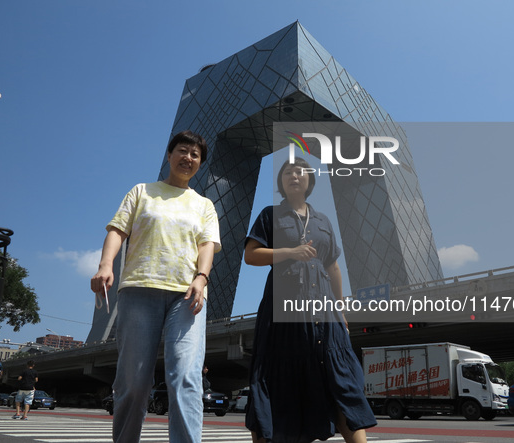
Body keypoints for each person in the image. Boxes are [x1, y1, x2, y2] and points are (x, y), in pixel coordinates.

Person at [90, 130, 221, 443]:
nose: (187, 158)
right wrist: (105, 265)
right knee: (133, 382)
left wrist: (201, 278)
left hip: (187, 295)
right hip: (139, 290)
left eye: (195, 155)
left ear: (200, 163)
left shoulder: (203, 205)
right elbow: (117, 231)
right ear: (169, 154)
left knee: (187, 377)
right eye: (182, 151)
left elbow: (207, 246)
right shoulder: (142, 192)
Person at [244, 157, 376, 443]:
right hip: (282, 314)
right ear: (281, 181)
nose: (294, 175)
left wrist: (340, 311)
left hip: (324, 312)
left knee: (342, 385)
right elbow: (251, 255)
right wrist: (290, 252)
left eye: (300, 172)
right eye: (288, 172)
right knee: (279, 384)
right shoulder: (270, 215)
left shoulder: (323, 220)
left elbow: (333, 268)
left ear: (310, 181)